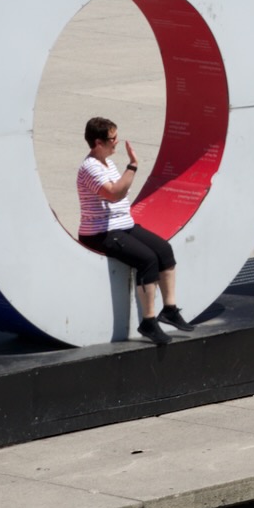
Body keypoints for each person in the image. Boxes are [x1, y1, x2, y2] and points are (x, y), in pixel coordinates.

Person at [76, 116, 193, 345]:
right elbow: (114, 193)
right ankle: (148, 322)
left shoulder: (107, 163)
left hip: (123, 225)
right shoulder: (90, 168)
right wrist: (133, 165)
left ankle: (169, 309)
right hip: (101, 233)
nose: (116, 142)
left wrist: (128, 169)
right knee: (147, 259)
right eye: (113, 138)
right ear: (99, 143)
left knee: (164, 250)